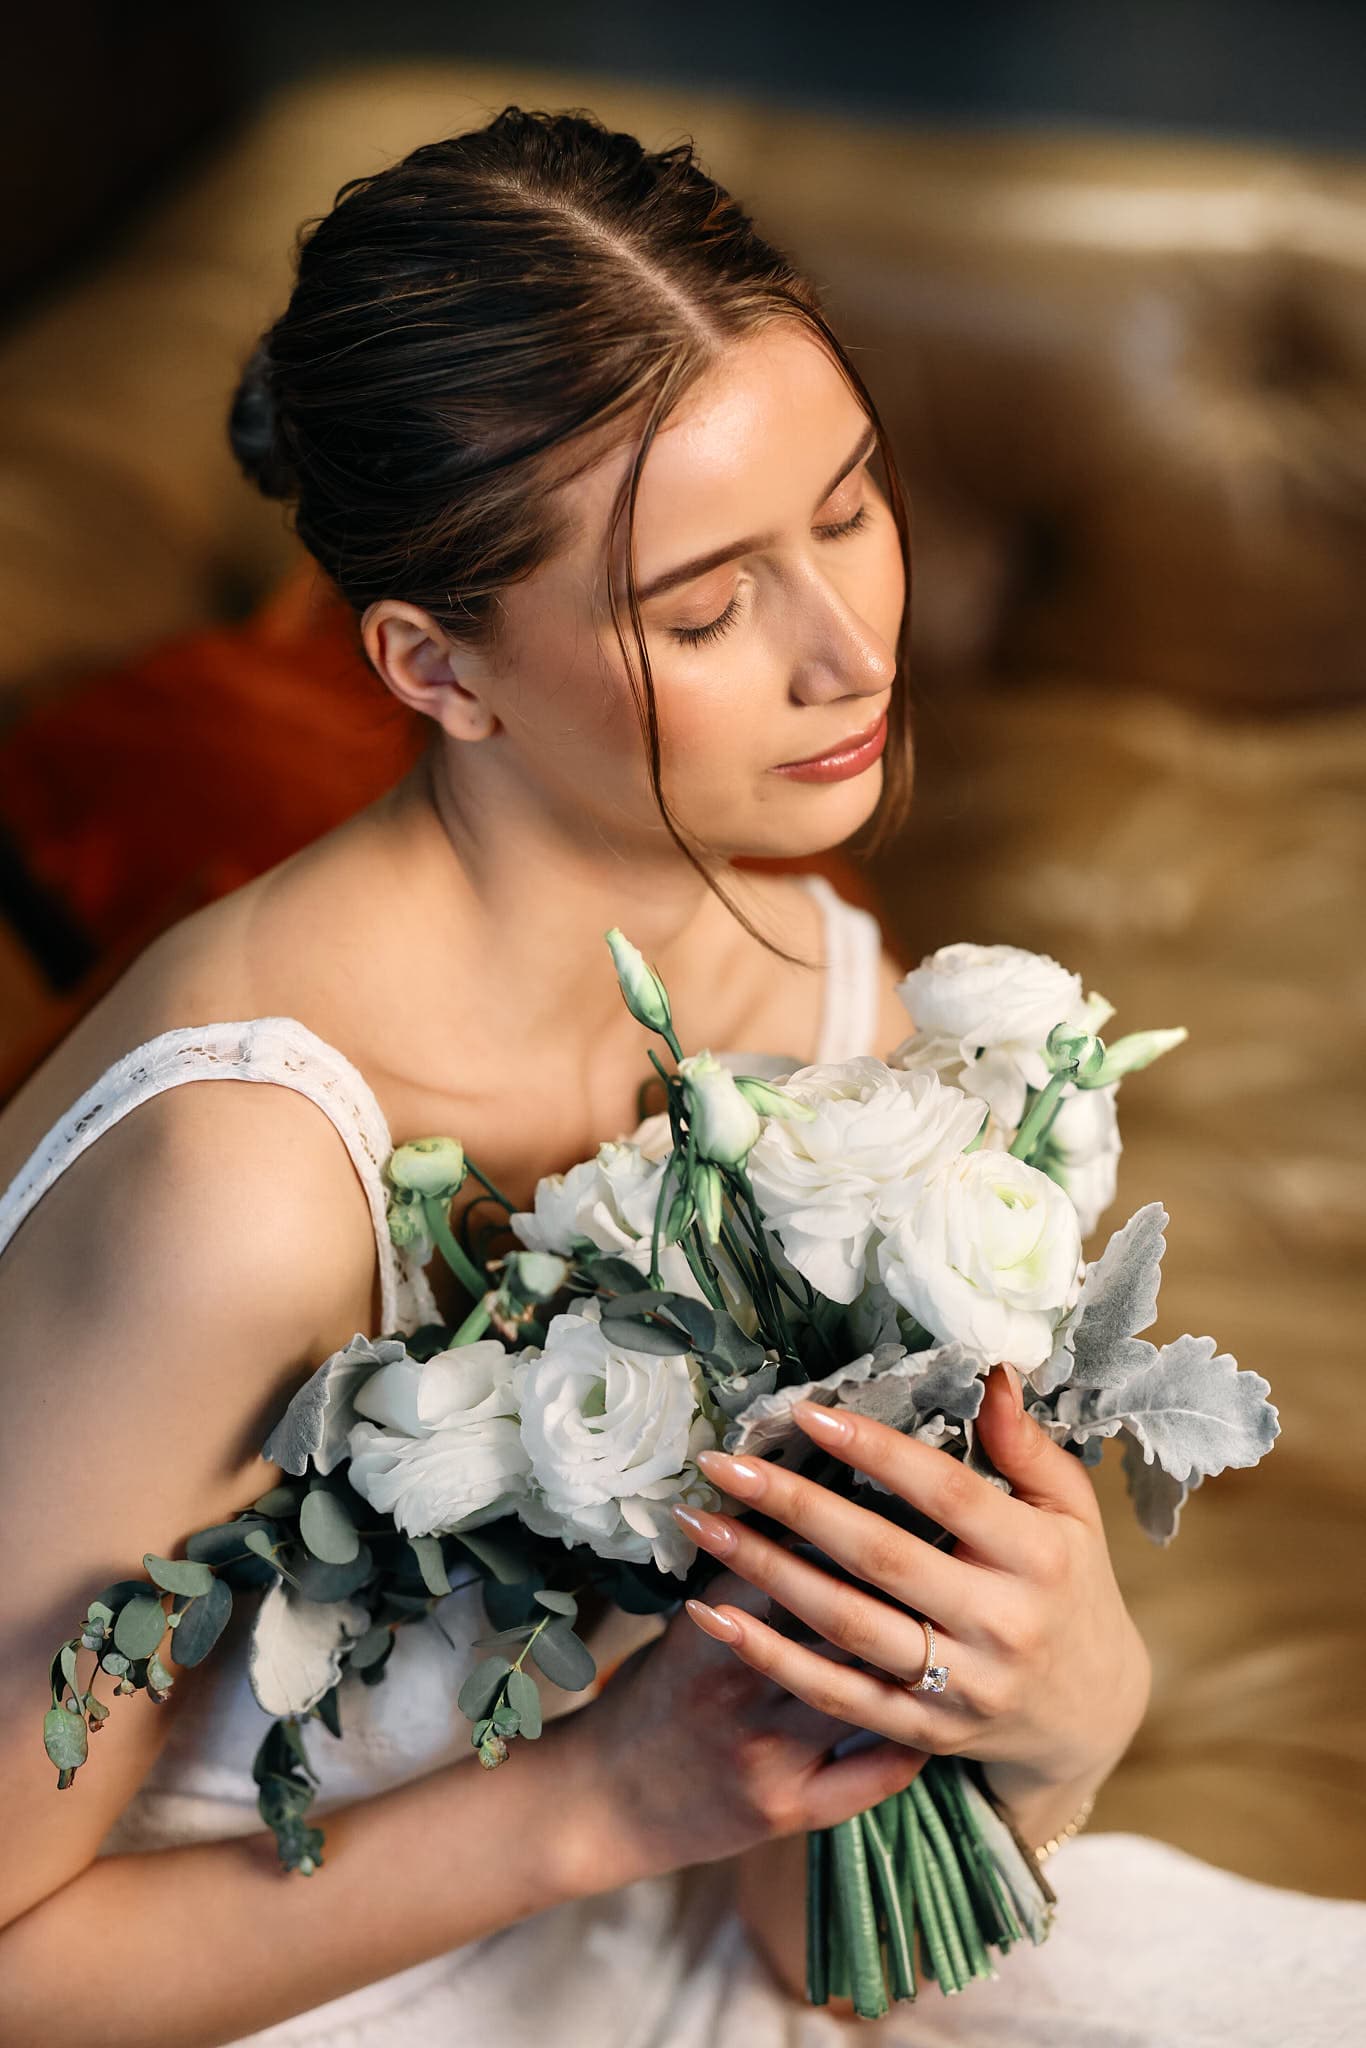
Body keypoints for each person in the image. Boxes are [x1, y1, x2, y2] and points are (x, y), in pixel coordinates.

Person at [0, 105, 1361, 2048]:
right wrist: (591, 1798)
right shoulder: (242, 1174)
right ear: (433, 667)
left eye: (853, 504)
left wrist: (1052, 1711)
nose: (849, 650)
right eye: (706, 605)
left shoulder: (833, 1004)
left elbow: (821, 1944)